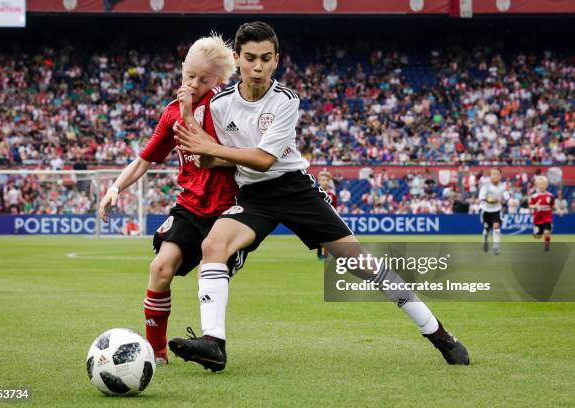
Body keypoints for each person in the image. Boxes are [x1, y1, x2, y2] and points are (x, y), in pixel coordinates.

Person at [169, 21, 469, 371]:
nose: (258, 66)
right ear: (237, 59)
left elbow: (265, 160)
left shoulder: (284, 100)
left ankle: (438, 333)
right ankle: (213, 343)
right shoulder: (220, 105)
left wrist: (211, 148)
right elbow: (212, 158)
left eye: (266, 58)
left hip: (294, 190)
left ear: (277, 59)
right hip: (253, 195)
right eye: (250, 58)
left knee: (364, 265)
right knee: (213, 246)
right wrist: (198, 134)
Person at [98, 33, 245, 365]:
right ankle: (156, 353)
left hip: (229, 211)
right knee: (160, 268)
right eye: (189, 75)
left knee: (208, 271)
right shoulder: (171, 113)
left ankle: (212, 343)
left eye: (203, 79)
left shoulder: (227, 109)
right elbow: (144, 160)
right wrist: (115, 188)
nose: (193, 83)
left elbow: (246, 155)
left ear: (218, 80)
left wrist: (201, 128)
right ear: (182, 69)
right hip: (191, 207)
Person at [478, 168, 508, 255]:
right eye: (493, 174)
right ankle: (485, 241)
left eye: (497, 174)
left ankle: (496, 247)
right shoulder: (486, 186)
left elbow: (506, 197)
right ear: (490, 176)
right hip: (486, 210)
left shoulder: (503, 186)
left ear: (500, 176)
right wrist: (490, 200)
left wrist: (503, 199)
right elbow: (481, 198)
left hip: (497, 210)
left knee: (496, 226)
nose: (495, 176)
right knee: (487, 230)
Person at [529, 176, 554, 251]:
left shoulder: (550, 196)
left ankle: (546, 245)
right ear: (537, 185)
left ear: (547, 185)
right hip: (537, 218)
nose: (542, 186)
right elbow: (530, 206)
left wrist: (558, 210)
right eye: (540, 184)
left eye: (543, 184)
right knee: (537, 236)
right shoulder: (534, 196)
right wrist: (535, 206)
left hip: (547, 218)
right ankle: (537, 233)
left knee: (547, 232)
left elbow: (552, 205)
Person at [316, 170, 337, 260]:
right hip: (318, 217)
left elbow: (335, 207)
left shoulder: (332, 195)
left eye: (326, 180)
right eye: (322, 180)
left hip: (329, 218)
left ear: (329, 182)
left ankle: (325, 254)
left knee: (329, 237)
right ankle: (321, 252)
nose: (325, 182)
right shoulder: (315, 193)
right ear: (319, 181)